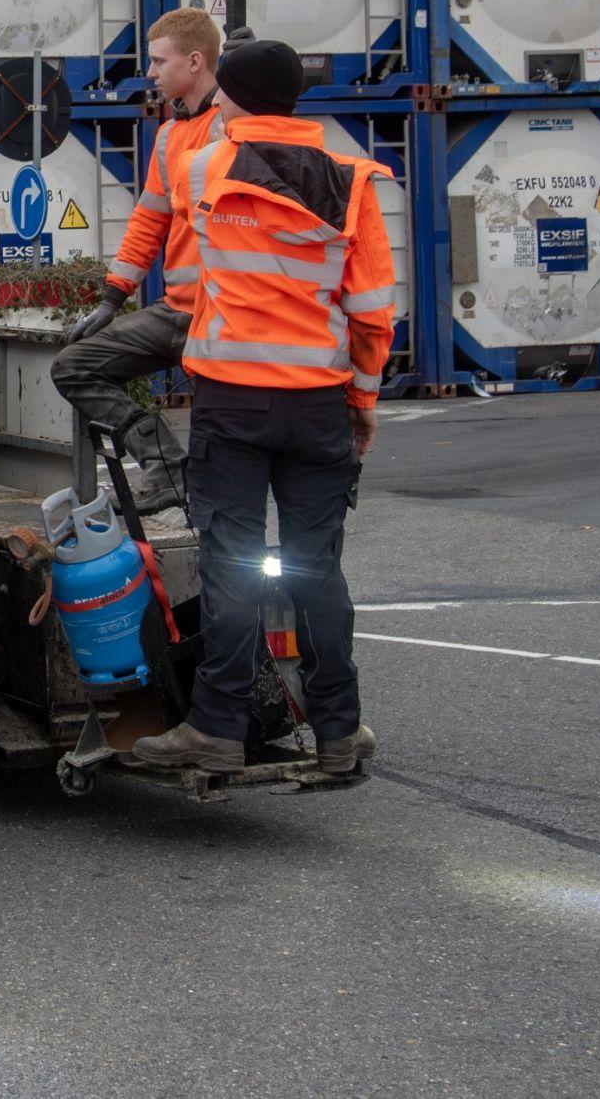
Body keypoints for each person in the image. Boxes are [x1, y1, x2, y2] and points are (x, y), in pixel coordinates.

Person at [128, 40, 392, 778]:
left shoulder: (205, 166)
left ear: (234, 92)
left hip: (233, 401)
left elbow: (181, 257)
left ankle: (215, 725)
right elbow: (372, 313)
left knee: (231, 565)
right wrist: (362, 402)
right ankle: (338, 730)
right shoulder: (351, 180)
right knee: (318, 571)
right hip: (318, 403)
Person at [53, 8, 226, 512]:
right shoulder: (172, 135)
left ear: (195, 62)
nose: (150, 73)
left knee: (223, 439)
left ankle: (211, 509)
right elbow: (150, 221)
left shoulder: (231, 131)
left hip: (222, 317)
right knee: (75, 365)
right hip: (176, 311)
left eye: (158, 61)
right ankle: (164, 462)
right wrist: (112, 299)